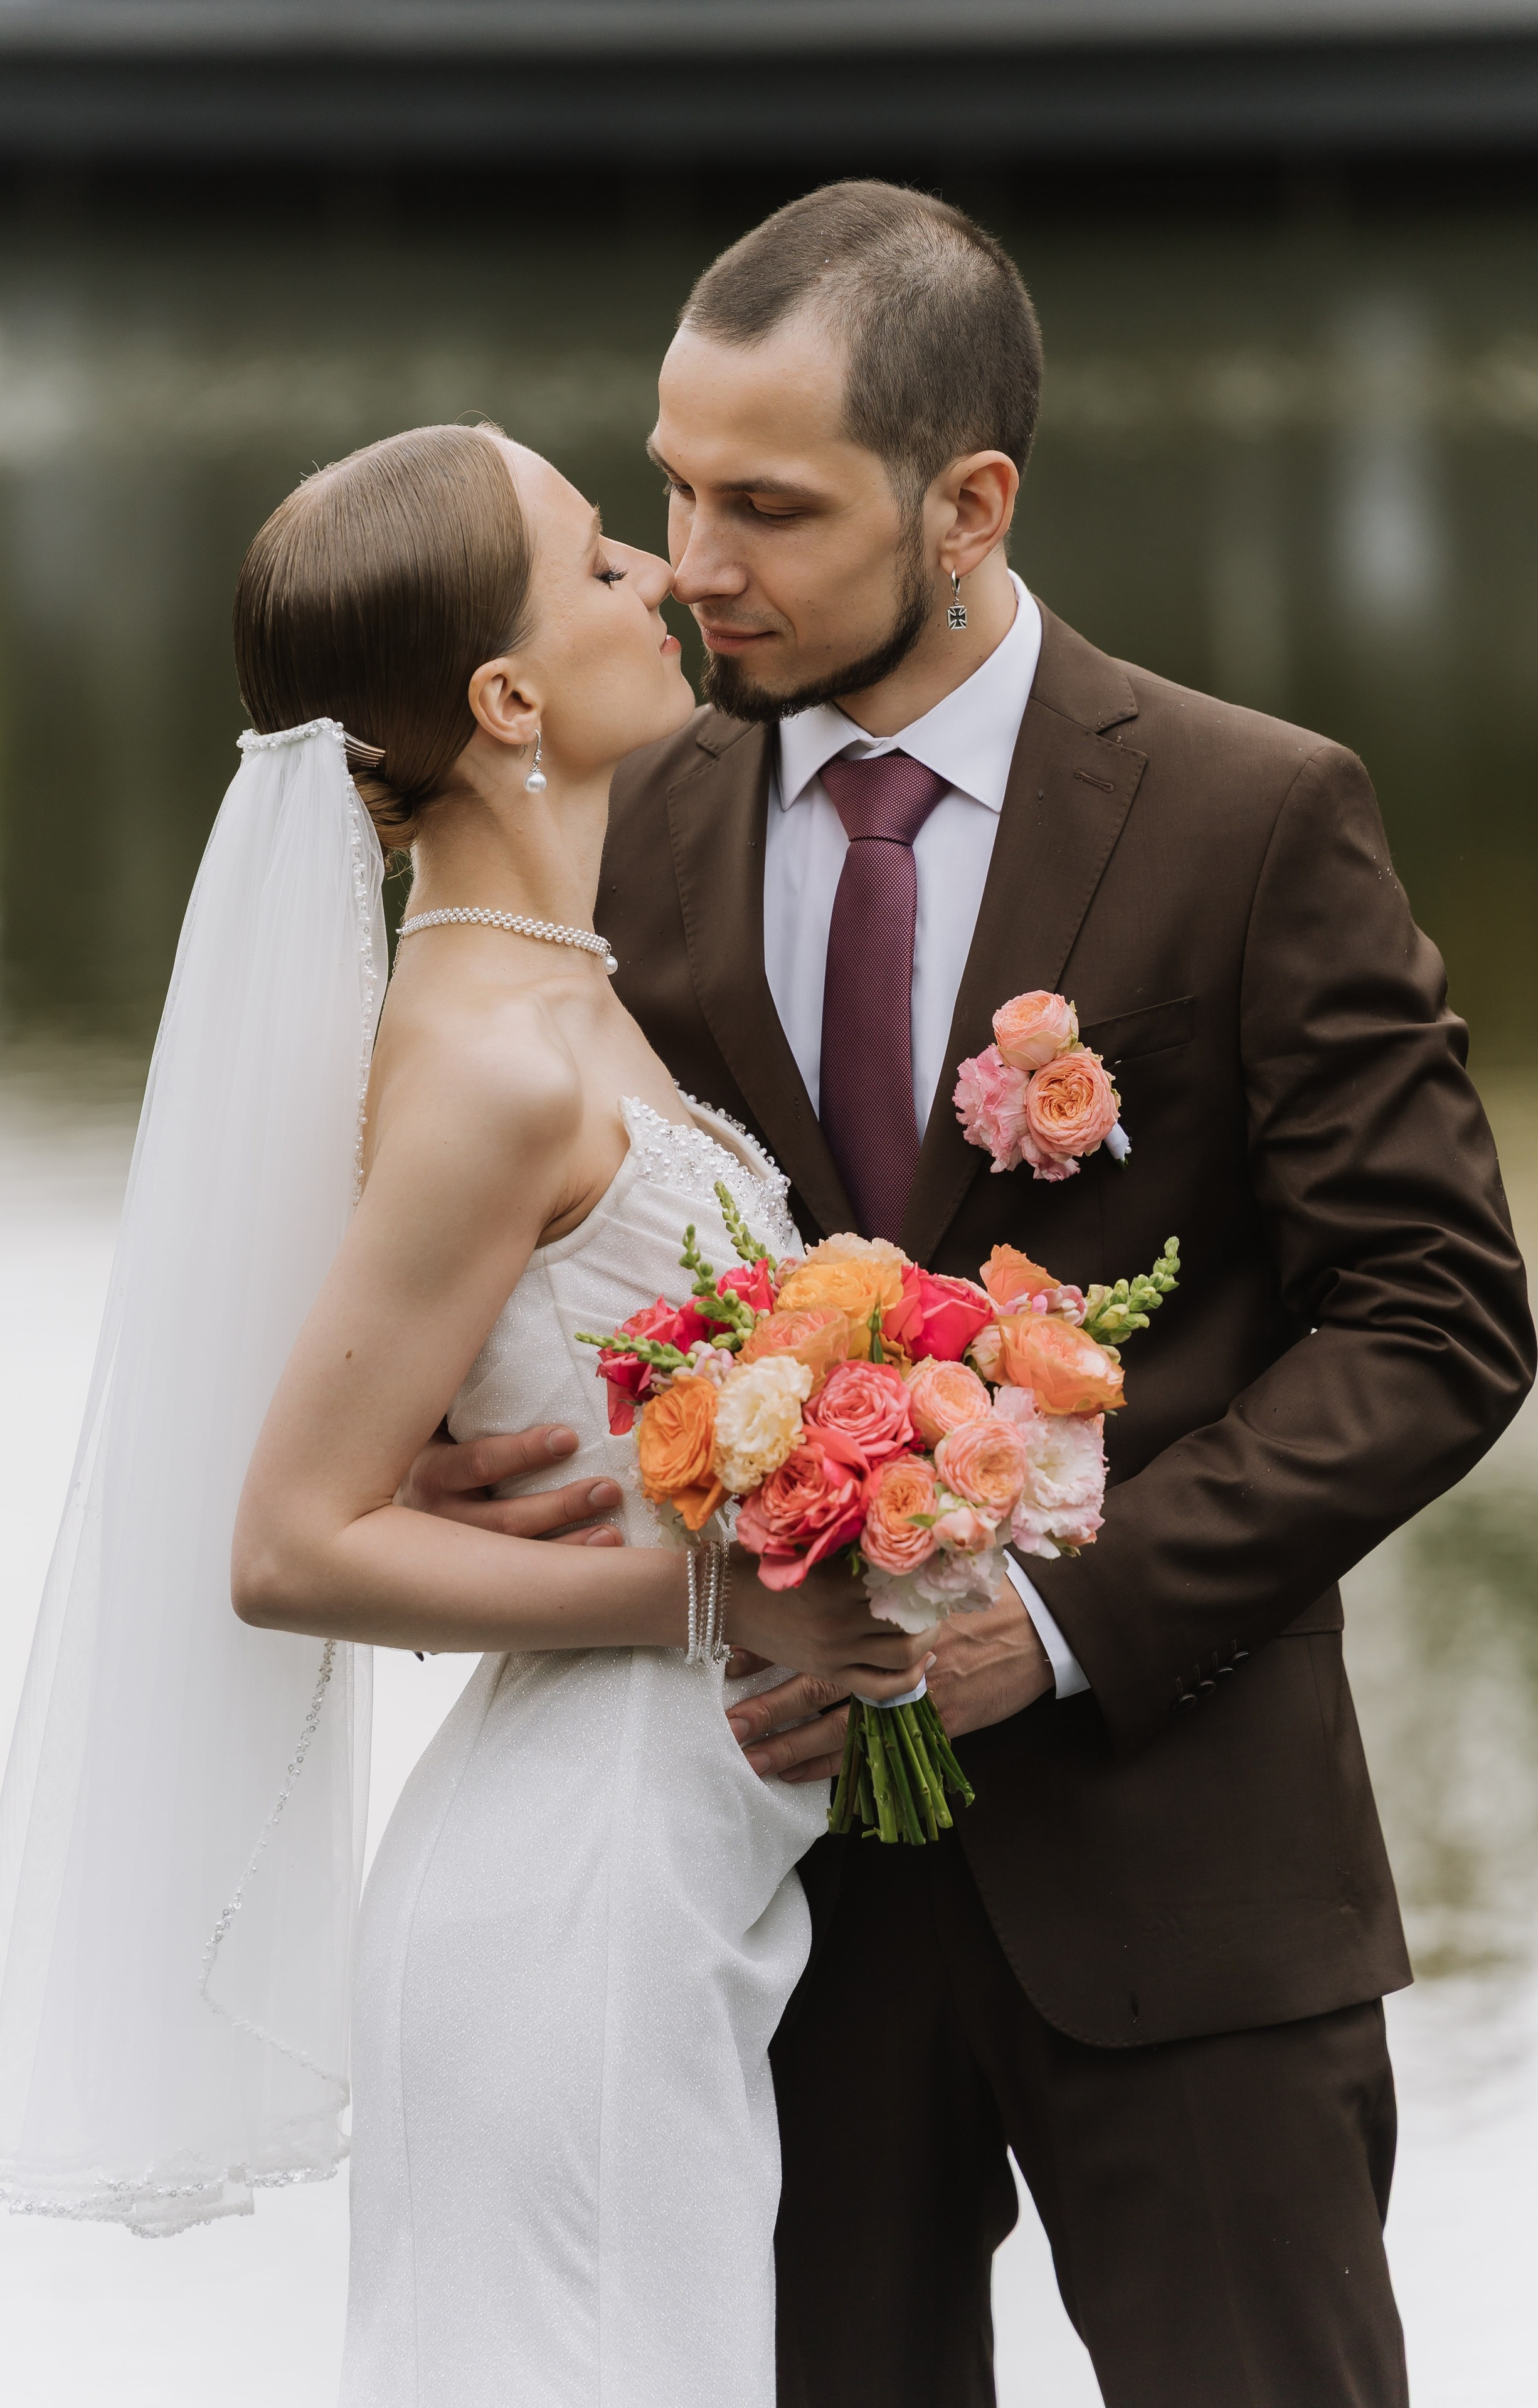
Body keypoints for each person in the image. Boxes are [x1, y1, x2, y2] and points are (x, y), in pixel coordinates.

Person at [408, 185, 1535, 2406]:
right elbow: (502, 1230)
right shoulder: (614, 825)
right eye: (669, 491)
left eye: (767, 507)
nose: (694, 561)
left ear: (968, 505)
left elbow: (1435, 1320)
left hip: (1190, 1882)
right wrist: (476, 1419)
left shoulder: (1252, 812)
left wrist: (1068, 1627)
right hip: (757, 1903)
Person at [0, 422, 931, 2405]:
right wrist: (720, 1603)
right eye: (597, 564)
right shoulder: (489, 1058)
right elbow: (290, 1541)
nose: (660, 578)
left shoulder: (564, 994)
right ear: (507, 696)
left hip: (659, 1875)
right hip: (572, 1905)